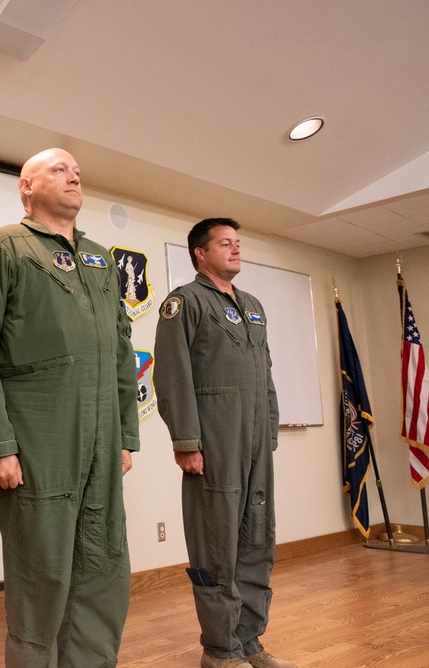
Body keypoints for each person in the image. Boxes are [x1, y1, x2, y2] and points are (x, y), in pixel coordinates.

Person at [0, 148, 140, 668]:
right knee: (43, 572)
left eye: (77, 170)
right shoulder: (4, 248)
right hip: (39, 440)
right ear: (26, 187)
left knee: (103, 565)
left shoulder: (100, 258)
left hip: (102, 440)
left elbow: (121, 349)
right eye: (59, 169)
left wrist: (125, 432)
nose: (74, 175)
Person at [153, 218, 294, 668]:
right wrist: (187, 441)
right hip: (215, 444)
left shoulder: (252, 305)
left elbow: (265, 373)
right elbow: (172, 376)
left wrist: (269, 427)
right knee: (217, 549)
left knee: (256, 543)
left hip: (255, 446)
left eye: (238, 243)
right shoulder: (185, 303)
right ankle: (219, 649)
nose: (236, 250)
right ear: (200, 252)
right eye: (225, 243)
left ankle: (249, 642)